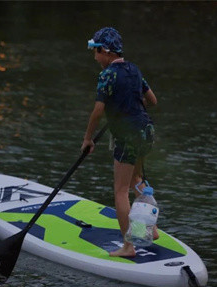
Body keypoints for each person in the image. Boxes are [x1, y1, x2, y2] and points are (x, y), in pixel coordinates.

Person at [80, 27, 158, 257]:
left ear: (106, 51)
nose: (95, 58)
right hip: (147, 130)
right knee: (137, 180)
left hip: (128, 136)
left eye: (96, 52)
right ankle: (150, 230)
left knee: (120, 191)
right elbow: (152, 100)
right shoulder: (134, 69)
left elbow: (97, 111)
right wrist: (129, 104)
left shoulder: (107, 75)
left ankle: (128, 247)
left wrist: (87, 139)